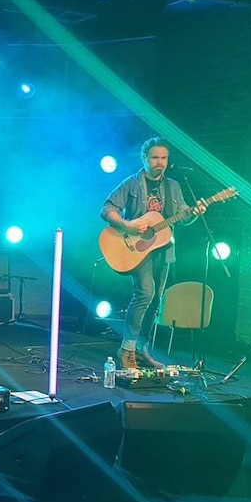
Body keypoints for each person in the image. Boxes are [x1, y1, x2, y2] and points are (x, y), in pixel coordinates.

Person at [100, 136, 206, 370]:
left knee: (157, 300)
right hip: (136, 249)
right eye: (155, 157)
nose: (160, 162)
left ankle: (141, 350)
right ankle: (126, 349)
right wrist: (128, 225)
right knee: (145, 294)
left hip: (163, 250)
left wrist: (194, 212)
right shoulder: (131, 183)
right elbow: (107, 209)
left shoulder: (174, 186)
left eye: (164, 158)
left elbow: (182, 216)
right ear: (145, 158)